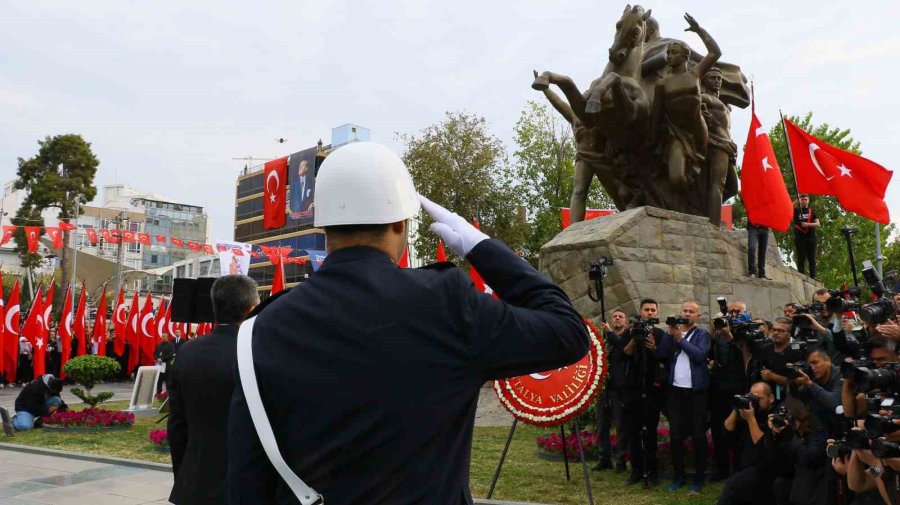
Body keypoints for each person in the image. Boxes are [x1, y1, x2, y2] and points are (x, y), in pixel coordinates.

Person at [227, 142, 590, 504]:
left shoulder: (262, 329)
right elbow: (566, 331)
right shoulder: (444, 303)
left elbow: (247, 481)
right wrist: (482, 248)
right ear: (400, 223)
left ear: (324, 226)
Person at [167, 275, 259, 505]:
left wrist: (183, 475)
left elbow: (177, 424)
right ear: (251, 309)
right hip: (246, 485)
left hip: (194, 482)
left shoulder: (187, 351)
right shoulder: (259, 351)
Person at [649, 14, 721, 191]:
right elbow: (656, 116)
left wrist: (699, 30)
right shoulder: (662, 84)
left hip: (697, 129)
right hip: (676, 133)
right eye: (668, 53)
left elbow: (715, 53)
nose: (669, 56)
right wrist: (652, 142)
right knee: (676, 178)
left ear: (685, 56)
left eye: (673, 53)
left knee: (701, 168)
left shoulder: (695, 74)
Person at [656, 299, 711, 493]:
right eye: (684, 310)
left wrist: (680, 339)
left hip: (696, 392)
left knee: (698, 435)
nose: (687, 314)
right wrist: (671, 335)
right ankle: (679, 476)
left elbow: (699, 356)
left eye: (691, 311)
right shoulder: (673, 332)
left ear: (697, 315)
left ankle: (698, 477)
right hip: (675, 391)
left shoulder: (702, 334)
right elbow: (661, 354)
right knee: (676, 436)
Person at [620, 298, 667, 488]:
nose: (650, 312)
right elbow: (623, 355)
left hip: (652, 390)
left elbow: (663, 357)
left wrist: (653, 347)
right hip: (632, 390)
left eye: (653, 310)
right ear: (640, 312)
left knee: (650, 435)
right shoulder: (629, 332)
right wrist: (634, 339)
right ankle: (636, 471)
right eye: (646, 309)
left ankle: (652, 472)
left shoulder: (660, 333)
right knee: (633, 433)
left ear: (657, 313)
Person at [709, 300, 751, 480]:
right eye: (731, 311)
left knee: (739, 431)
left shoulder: (748, 331)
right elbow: (712, 355)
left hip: (739, 386)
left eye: (737, 311)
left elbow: (745, 357)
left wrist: (729, 337)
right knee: (718, 430)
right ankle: (721, 468)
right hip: (719, 387)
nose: (733, 314)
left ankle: (738, 469)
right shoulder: (720, 331)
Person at [717, 382, 778, 504]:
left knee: (731, 485)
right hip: (743, 466)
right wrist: (738, 407)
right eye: (752, 398)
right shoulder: (748, 411)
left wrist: (751, 419)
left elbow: (763, 446)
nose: (755, 402)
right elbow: (725, 434)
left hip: (764, 469)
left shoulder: (775, 417)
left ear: (771, 398)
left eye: (759, 399)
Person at [594, 308, 628, 473]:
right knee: (602, 425)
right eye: (614, 317)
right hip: (604, 388)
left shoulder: (625, 338)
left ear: (625, 321)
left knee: (621, 426)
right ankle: (604, 459)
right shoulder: (606, 340)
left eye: (620, 317)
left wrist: (609, 333)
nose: (617, 319)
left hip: (619, 389)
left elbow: (623, 349)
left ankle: (621, 462)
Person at [792, 348, 843, 436]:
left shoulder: (841, 375)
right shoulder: (810, 376)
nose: (812, 368)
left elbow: (835, 403)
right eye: (809, 365)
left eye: (815, 363)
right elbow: (796, 402)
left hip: (840, 426)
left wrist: (810, 384)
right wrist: (794, 384)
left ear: (827, 360)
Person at [0, 375, 67, 435]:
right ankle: (13, 421)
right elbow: (32, 407)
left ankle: (40, 420)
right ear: (50, 387)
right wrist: (47, 410)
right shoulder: (35, 388)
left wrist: (63, 407)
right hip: (26, 408)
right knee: (25, 427)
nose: (55, 392)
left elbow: (58, 397)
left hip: (39, 405)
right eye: (55, 391)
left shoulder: (52, 382)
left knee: (56, 399)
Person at [793, 194, 819, 278]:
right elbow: (788, 208)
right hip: (800, 238)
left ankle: (813, 276)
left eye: (805, 199)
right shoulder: (796, 211)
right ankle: (801, 275)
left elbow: (817, 223)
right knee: (801, 257)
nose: (804, 201)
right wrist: (796, 200)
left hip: (811, 238)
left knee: (812, 258)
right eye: (802, 199)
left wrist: (808, 224)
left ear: (808, 200)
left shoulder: (812, 211)